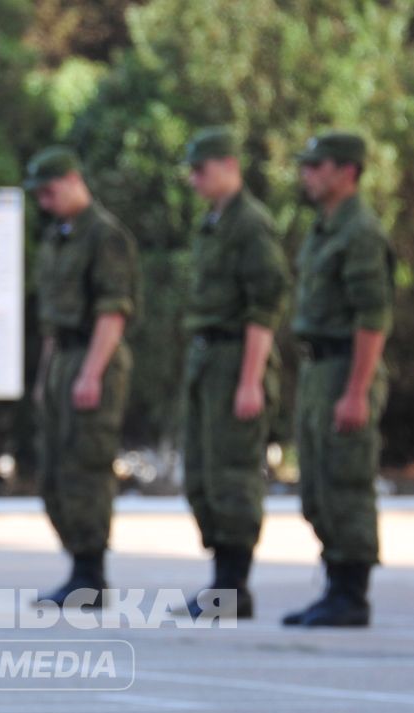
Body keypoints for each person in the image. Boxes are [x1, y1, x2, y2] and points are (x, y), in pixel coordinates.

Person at [284, 132, 393, 629]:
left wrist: (356, 390)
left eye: (317, 165)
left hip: (346, 367)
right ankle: (334, 584)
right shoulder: (324, 229)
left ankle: (352, 593)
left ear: (347, 171)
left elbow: (373, 317)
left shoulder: (360, 232)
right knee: (320, 484)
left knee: (345, 480)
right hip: (318, 367)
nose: (308, 174)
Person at [181, 127, 290, 619]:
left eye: (202, 169)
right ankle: (221, 580)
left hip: (236, 359)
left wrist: (250, 379)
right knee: (204, 472)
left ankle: (234, 586)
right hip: (209, 359)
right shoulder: (214, 222)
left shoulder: (251, 224)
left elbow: (263, 308)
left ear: (229, 166)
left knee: (233, 474)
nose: (194, 179)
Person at [25, 146, 138, 608]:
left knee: (85, 468)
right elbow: (54, 319)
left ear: (75, 180)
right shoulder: (58, 236)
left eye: (50, 191)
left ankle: (91, 575)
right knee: (54, 470)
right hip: (64, 359)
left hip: (95, 357)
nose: (45, 202)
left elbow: (113, 312)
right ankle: (77, 567)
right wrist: (45, 376)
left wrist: (90, 374)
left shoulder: (104, 236)